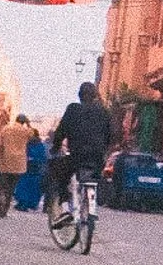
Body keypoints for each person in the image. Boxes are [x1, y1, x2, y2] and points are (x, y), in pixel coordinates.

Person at [49, 81, 116, 230]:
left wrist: (56, 146)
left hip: (77, 155)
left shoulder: (73, 109)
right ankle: (90, 203)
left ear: (80, 95)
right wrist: (104, 148)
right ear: (95, 96)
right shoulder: (104, 112)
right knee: (92, 178)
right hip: (98, 157)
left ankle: (66, 208)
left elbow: (62, 130)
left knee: (60, 173)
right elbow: (111, 135)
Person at [0, 107, 33, 218]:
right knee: (11, 187)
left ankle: (1, 201)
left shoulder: (6, 129)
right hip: (19, 164)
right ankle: (5, 209)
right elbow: (32, 134)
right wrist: (28, 124)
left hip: (5, 161)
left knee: (0, 184)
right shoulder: (25, 131)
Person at [14, 129, 47, 212]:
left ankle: (25, 203)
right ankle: (26, 203)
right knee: (27, 186)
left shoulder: (32, 145)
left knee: (27, 186)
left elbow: (42, 158)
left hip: (32, 169)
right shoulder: (36, 145)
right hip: (31, 169)